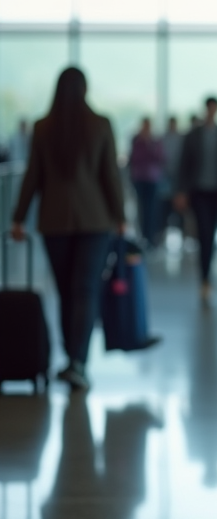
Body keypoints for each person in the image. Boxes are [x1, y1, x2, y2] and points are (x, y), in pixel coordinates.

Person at [9, 67, 125, 391]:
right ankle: (78, 363)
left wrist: (18, 218)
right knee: (85, 289)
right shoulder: (100, 124)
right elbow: (110, 176)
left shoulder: (43, 128)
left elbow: (33, 176)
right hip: (95, 220)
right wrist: (120, 215)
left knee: (64, 291)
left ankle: (70, 358)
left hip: (55, 221)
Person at [175, 97, 217, 305]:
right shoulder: (193, 135)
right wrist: (181, 191)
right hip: (198, 191)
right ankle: (205, 278)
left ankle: (207, 276)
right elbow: (184, 164)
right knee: (203, 232)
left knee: (211, 233)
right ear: (206, 109)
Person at [129, 117, 165, 244]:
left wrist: (149, 146)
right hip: (139, 178)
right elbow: (134, 158)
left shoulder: (155, 140)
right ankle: (142, 235)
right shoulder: (136, 140)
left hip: (152, 179)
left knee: (151, 208)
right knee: (141, 208)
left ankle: (150, 236)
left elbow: (160, 158)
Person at [159, 116, 184, 241]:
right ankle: (162, 234)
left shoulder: (181, 138)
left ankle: (183, 236)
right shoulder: (163, 139)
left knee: (180, 210)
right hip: (165, 180)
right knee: (164, 208)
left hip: (178, 179)